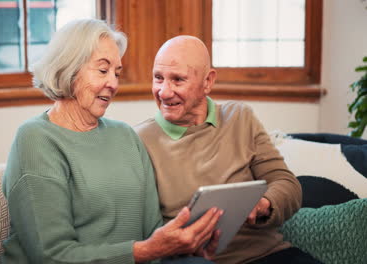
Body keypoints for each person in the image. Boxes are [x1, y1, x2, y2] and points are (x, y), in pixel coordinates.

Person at [1, 20, 222, 264]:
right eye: (103, 70)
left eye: (117, 73)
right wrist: (146, 251)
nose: (114, 84)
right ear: (69, 68)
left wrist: (184, 250)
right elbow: (52, 256)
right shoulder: (36, 139)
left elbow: (152, 231)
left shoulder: (125, 136)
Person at [135, 35, 322, 264]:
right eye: (158, 78)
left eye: (178, 80)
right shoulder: (140, 140)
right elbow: (142, 231)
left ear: (208, 81)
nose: (164, 91)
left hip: (269, 254)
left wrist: (263, 204)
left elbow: (287, 185)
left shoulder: (239, 118)